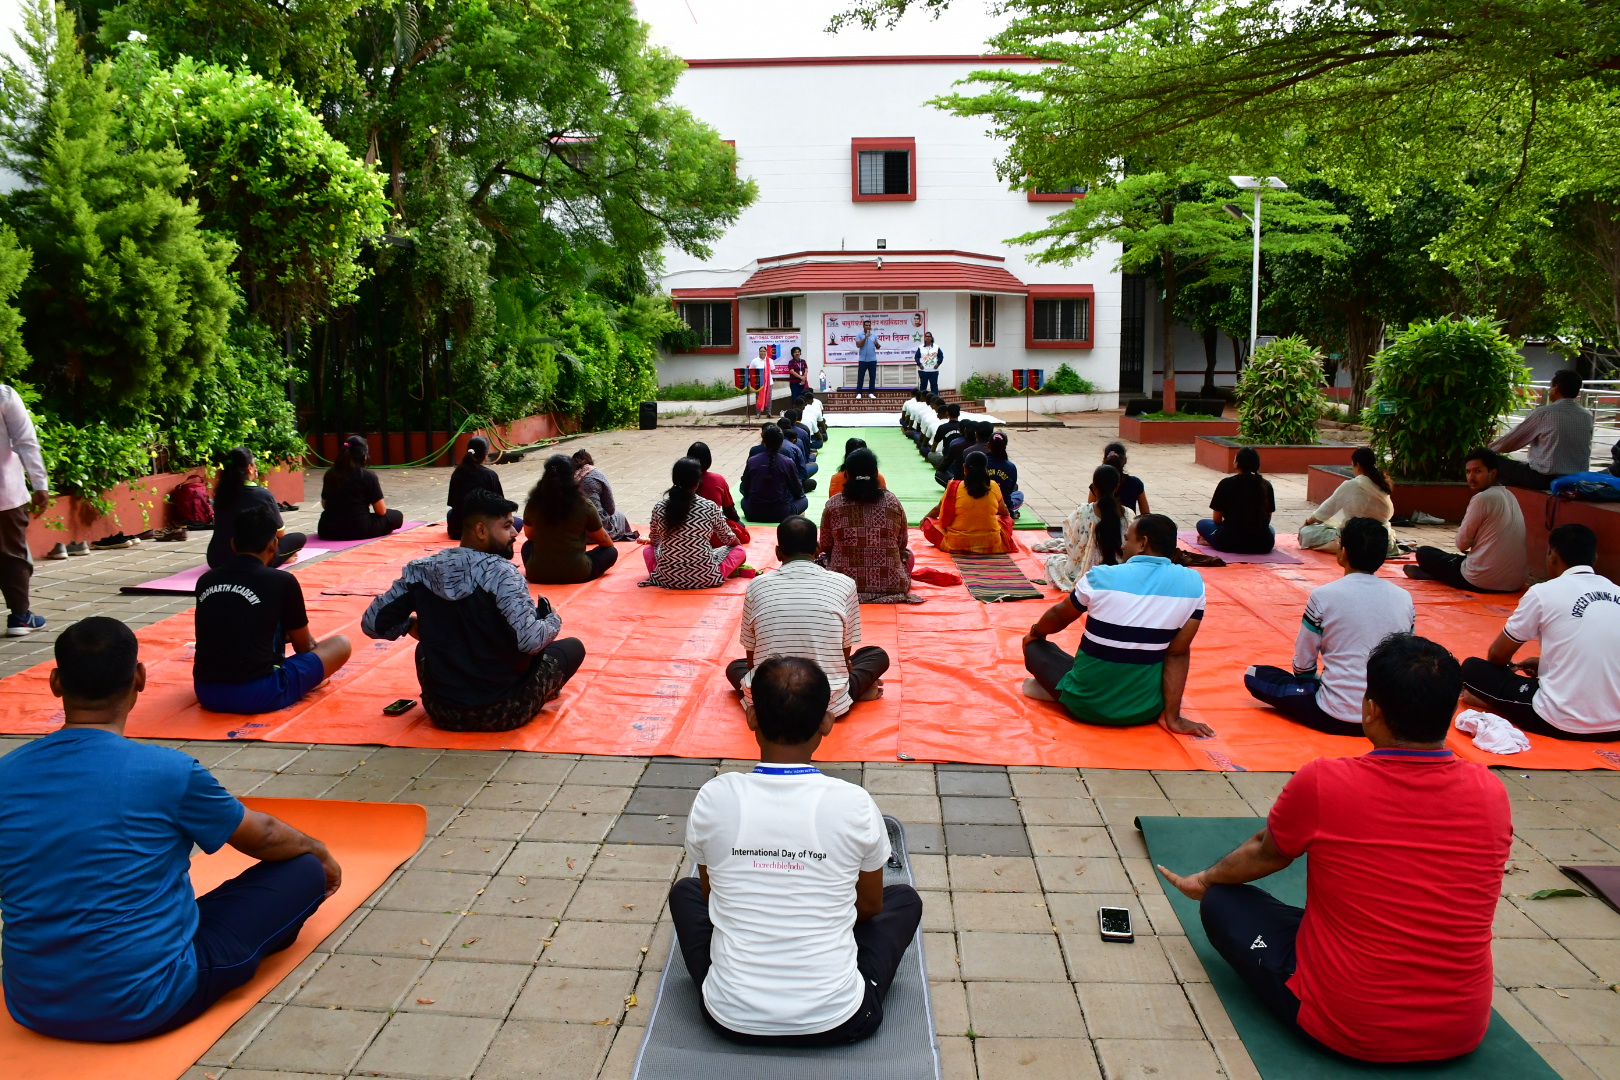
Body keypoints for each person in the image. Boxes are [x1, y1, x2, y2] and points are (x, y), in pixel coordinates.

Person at [1157, 634, 1511, 1065]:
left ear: (1371, 709)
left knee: (1222, 902)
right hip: (1461, 1026)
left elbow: (1265, 852)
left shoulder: (1326, 781)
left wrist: (1204, 880)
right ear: (1452, 711)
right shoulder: (1491, 792)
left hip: (1348, 1025)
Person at [0, 617, 340, 1041]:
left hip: (33, 1001)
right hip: (150, 1002)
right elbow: (265, 836)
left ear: (55, 683)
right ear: (140, 679)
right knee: (302, 869)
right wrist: (319, 851)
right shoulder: (168, 771)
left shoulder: (6, 773)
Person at [671, 656, 923, 1047]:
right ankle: (831, 970)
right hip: (841, 1019)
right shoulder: (853, 802)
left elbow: (711, 896)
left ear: (751, 717)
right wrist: (818, 911)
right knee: (903, 900)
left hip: (730, 1018)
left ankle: (741, 984)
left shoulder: (714, 796)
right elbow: (871, 905)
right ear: (827, 722)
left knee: (684, 893)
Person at [364, 489, 586, 731]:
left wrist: (409, 625)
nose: (515, 533)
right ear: (481, 530)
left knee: (425, 646)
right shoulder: (503, 574)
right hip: (506, 711)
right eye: (507, 526)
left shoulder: (420, 570)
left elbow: (373, 623)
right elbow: (530, 642)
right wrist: (552, 618)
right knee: (572, 647)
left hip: (443, 712)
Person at [1021, 513, 1212, 736]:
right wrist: (1174, 719)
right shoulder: (1194, 584)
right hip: (1145, 711)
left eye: (1128, 539)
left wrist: (1035, 633)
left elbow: (1058, 616)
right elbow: (1177, 654)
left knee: (1035, 645)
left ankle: (1063, 690)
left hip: (1084, 706)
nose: (1123, 545)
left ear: (1143, 543)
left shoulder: (1100, 576)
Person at [1243, 517, 1415, 736]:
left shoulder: (1323, 596)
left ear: (1343, 552)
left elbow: (1303, 664)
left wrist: (1315, 683)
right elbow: (1406, 657)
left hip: (1332, 714)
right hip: (1386, 719)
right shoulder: (1404, 598)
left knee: (1255, 674)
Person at [1460, 523, 1620, 740]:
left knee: (1473, 668)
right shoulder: (1616, 591)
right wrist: (1546, 665)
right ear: (1595, 558)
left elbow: (1497, 655)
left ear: (1552, 555)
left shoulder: (1543, 593)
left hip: (1559, 722)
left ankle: (1493, 701)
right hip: (1616, 725)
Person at [194, 507, 352, 714]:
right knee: (341, 644)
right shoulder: (282, 581)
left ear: (233, 544)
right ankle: (305, 682)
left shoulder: (206, 580)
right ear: (274, 545)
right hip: (258, 694)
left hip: (207, 692)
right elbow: (303, 647)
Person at [727, 516, 889, 715]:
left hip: (769, 703)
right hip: (826, 702)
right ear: (818, 549)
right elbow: (844, 656)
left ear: (778, 552)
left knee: (735, 667)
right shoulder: (845, 583)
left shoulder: (756, 585)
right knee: (876, 655)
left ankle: (846, 692)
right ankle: (853, 693)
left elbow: (751, 662)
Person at [1408, 449, 1526, 592]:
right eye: (1468, 472)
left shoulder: (1483, 498)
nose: (1471, 477)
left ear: (1493, 473)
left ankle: (1438, 575)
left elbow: (1461, 543)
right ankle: (1441, 574)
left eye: (1477, 471)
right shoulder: (1510, 496)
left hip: (1481, 580)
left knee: (1424, 552)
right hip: (1515, 582)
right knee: (1457, 559)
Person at [819, 449, 912, 603]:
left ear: (846, 474)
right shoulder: (892, 501)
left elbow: (826, 545)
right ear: (876, 474)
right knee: (908, 555)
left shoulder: (833, 504)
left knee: (823, 559)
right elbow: (901, 543)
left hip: (840, 586)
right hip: (892, 585)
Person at [645, 458, 749, 589]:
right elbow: (729, 539)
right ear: (697, 483)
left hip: (666, 579)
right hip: (707, 578)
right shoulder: (709, 506)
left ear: (674, 480)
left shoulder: (659, 507)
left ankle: (663, 573)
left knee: (648, 549)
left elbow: (654, 541)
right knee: (739, 550)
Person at [1489, 369, 1595, 490]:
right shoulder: (1587, 415)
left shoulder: (1544, 413)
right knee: (1514, 472)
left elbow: (1510, 442)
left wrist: (1486, 450)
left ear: (1555, 388)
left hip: (1544, 479)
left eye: (1550, 387)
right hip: (1577, 479)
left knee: (1491, 459)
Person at [522, 454, 619, 584]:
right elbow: (604, 540)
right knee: (611, 551)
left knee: (527, 546)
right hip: (577, 573)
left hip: (537, 573)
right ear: (573, 475)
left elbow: (529, 535)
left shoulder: (533, 503)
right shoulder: (584, 505)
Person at [208, 446, 305, 570]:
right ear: (249, 468)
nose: (256, 468)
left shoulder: (221, 494)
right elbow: (280, 533)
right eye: (254, 464)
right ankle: (282, 557)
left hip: (217, 558)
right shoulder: (263, 495)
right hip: (255, 558)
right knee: (299, 538)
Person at [0, 383, 46, 635]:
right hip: (5, 493)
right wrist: (40, 485)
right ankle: (20, 616)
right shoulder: (4, 395)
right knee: (12, 554)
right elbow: (26, 441)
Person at [1041, 464, 1131, 591]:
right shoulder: (1128, 514)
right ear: (1117, 487)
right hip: (1119, 572)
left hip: (1088, 573)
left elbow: (1072, 543)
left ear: (1094, 487)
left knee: (1053, 562)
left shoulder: (1084, 511)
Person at [1297, 447, 1394, 554]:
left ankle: (1344, 548)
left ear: (1358, 465)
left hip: (1357, 538)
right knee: (1338, 521)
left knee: (1306, 532)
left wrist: (1307, 523)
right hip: (1384, 541)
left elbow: (1326, 509)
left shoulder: (1352, 485)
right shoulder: (1382, 484)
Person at [921, 452, 1015, 555]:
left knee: (928, 523)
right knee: (1007, 520)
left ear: (965, 468)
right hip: (991, 543)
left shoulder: (953, 487)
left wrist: (924, 519)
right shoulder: (994, 485)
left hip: (956, 544)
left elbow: (938, 510)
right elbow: (1005, 512)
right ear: (985, 469)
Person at [317, 436, 404, 541]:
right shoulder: (368, 476)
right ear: (364, 456)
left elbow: (325, 505)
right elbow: (381, 511)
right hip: (358, 529)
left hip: (327, 529)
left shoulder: (330, 474)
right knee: (396, 516)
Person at [1198, 447, 1275, 554]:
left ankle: (1211, 539)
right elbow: (1268, 517)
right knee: (1270, 529)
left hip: (1229, 543)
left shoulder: (1226, 483)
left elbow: (1217, 519)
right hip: (1262, 545)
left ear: (1237, 463)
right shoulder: (1266, 485)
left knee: (1202, 524)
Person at [740, 424, 807, 523]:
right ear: (782, 441)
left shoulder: (752, 460)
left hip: (754, 513)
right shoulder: (788, 462)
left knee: (744, 500)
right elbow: (797, 491)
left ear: (763, 439)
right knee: (804, 500)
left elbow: (745, 489)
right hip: (781, 514)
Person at [689, 440, 749, 546]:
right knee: (739, 530)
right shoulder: (717, 480)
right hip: (711, 536)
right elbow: (729, 511)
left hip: (684, 533)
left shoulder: (682, 481)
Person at [445, 436, 503, 542]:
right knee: (516, 522)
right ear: (485, 455)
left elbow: (453, 503)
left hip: (457, 530)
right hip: (483, 530)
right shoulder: (490, 475)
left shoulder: (457, 473)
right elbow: (501, 505)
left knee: (450, 513)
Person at [573, 449, 638, 541]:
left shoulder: (568, 477)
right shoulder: (597, 474)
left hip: (573, 530)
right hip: (597, 529)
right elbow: (610, 508)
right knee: (619, 516)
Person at [1102, 442, 1150, 513]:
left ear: (1104, 460)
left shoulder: (1098, 483)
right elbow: (1146, 514)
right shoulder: (1135, 483)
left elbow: (1089, 513)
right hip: (1129, 520)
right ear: (1125, 460)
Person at [985, 432, 1023, 517]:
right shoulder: (1010, 466)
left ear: (988, 445)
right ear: (1005, 446)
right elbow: (1011, 488)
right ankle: (1012, 512)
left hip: (983, 504)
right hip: (1004, 506)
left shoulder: (981, 463)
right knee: (1019, 494)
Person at [854, 319, 879, 399]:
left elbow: (878, 347)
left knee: (872, 377)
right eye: (866, 325)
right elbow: (858, 345)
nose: (868, 327)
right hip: (862, 360)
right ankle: (859, 393)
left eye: (869, 325)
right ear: (863, 326)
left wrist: (877, 344)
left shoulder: (874, 335)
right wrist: (865, 338)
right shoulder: (859, 335)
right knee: (861, 377)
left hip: (872, 360)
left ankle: (871, 392)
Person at [914, 330, 943, 395]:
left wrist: (938, 364)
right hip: (923, 371)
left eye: (929, 336)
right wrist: (919, 364)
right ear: (924, 338)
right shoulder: (920, 347)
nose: (927, 338)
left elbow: (941, 356)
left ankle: (935, 399)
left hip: (933, 371)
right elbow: (916, 357)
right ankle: (922, 400)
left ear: (931, 338)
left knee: (934, 386)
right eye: (926, 336)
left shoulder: (936, 347)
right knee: (923, 387)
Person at [747, 346, 772, 415]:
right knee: (758, 398)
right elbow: (751, 370)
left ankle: (769, 413)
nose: (762, 352)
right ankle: (758, 413)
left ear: (766, 352)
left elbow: (773, 370)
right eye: (761, 351)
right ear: (759, 352)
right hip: (758, 383)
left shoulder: (770, 360)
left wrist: (766, 376)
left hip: (769, 383)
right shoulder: (755, 360)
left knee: (768, 397)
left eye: (764, 351)